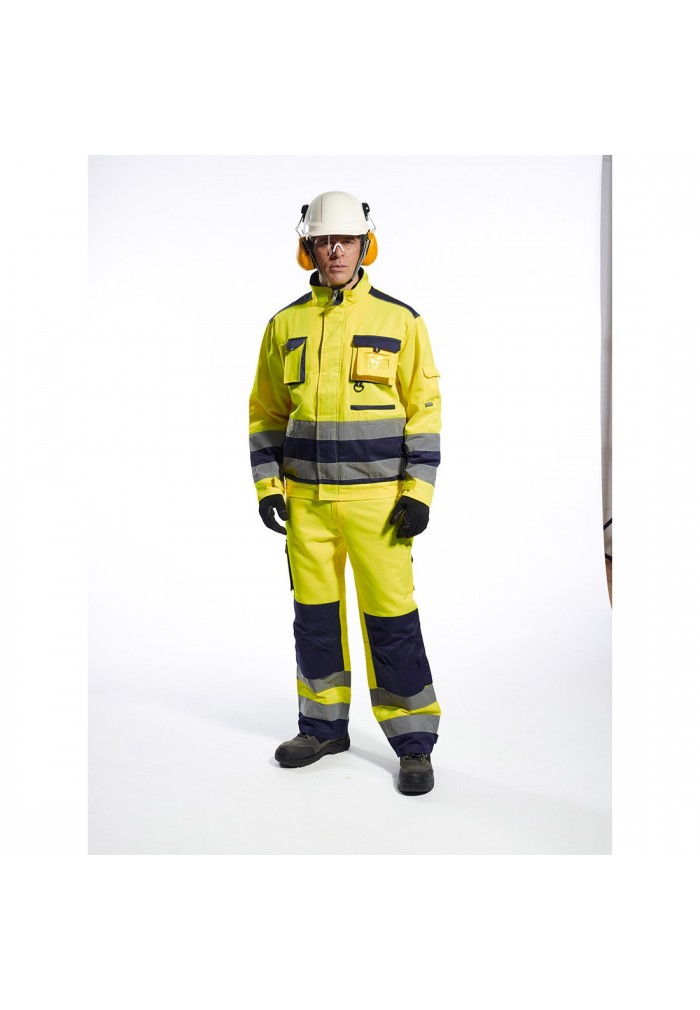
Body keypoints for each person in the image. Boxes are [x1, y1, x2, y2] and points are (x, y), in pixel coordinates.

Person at [248, 191, 442, 795]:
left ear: (365, 245)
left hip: (379, 506)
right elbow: (265, 412)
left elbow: (425, 410)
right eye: (324, 240)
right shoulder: (284, 325)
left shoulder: (401, 321)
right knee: (314, 621)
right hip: (306, 506)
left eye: (346, 240)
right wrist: (268, 485)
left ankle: (413, 743)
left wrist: (419, 492)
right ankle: (322, 727)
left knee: (392, 621)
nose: (335, 250)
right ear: (307, 247)